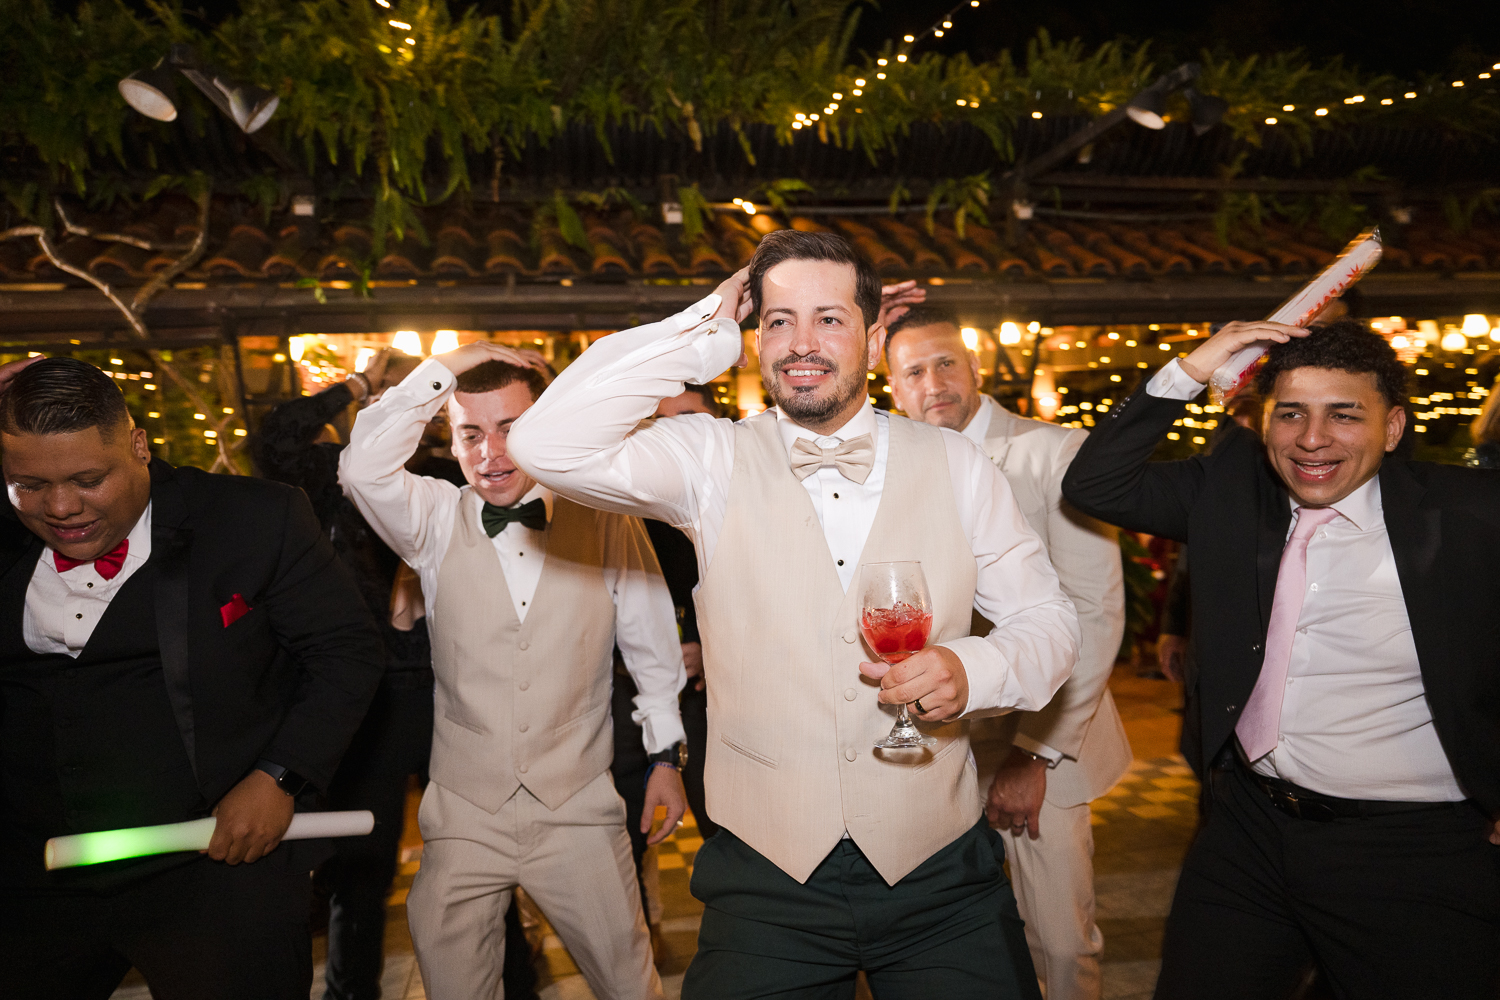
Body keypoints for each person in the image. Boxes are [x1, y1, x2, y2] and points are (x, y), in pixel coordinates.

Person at [508, 230, 1080, 998]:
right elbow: (547, 441)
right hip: (766, 882)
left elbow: (1049, 622)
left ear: (875, 339)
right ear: (751, 339)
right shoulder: (706, 458)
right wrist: (708, 318)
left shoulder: (957, 464)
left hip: (939, 872)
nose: (801, 343)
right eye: (778, 319)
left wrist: (969, 668)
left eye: (830, 319)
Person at [1062, 319, 1500, 999]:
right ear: (1263, 422)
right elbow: (1095, 483)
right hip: (1248, 834)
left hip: (1413, 852)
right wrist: (1192, 366)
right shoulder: (1232, 494)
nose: (1313, 438)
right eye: (1290, 413)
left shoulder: (1469, 514)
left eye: (1344, 414)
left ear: (1393, 427)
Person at [0, 356, 383, 1000]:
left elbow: (344, 651)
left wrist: (280, 776)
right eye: (29, 485)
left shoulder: (255, 519)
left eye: (88, 479)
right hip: (31, 875)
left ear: (139, 446)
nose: (60, 507)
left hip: (212, 861)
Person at [338, 347, 689, 1000]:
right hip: (464, 816)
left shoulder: (604, 518)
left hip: (579, 809)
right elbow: (361, 466)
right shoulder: (433, 520)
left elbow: (650, 644)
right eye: (472, 432)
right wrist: (450, 362)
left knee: (630, 985)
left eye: (512, 429)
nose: (492, 452)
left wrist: (666, 755)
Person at [254, 349, 539, 1000]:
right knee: (360, 868)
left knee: (483, 855)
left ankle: (517, 984)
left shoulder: (449, 475)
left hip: (450, 688)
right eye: (389, 396)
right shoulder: (335, 474)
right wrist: (359, 383)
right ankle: (352, 992)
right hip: (367, 699)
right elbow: (275, 438)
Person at [883, 303, 1128, 1000]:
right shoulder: (895, 469)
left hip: (1041, 737)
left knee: (1057, 936)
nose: (933, 382)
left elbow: (1095, 611)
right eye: (913, 371)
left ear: (976, 367)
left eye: (946, 363)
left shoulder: (1052, 453)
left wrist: (1033, 753)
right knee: (953, 936)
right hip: (939, 741)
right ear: (893, 388)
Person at [610, 384, 721, 959]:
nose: (679, 433)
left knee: (723, 832)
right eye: (664, 424)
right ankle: (635, 949)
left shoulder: (745, 499)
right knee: (623, 842)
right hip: (628, 702)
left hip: (714, 700)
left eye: (692, 419)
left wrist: (712, 646)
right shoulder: (625, 509)